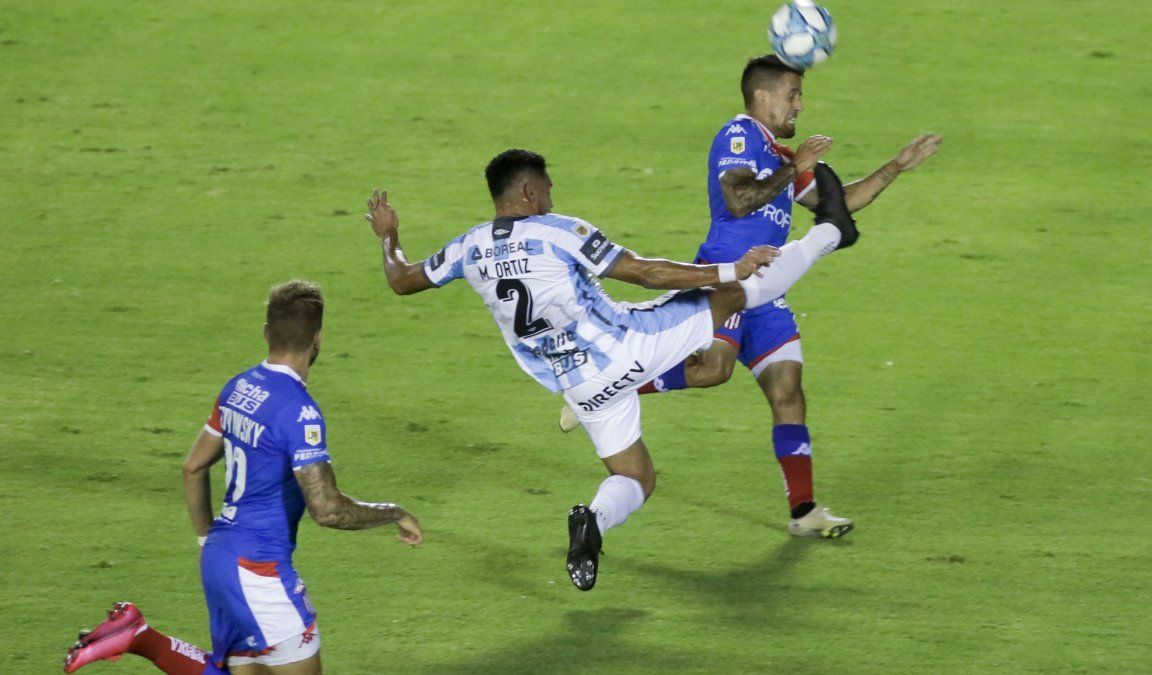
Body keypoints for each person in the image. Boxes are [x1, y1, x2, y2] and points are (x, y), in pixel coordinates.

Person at [365, 148, 858, 590]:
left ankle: (593, 524)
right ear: (529, 191)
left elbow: (402, 279)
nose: (552, 198)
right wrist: (732, 267)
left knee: (637, 477)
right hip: (626, 347)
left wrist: (389, 237)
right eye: (548, 189)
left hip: (578, 384)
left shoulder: (467, 247)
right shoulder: (557, 230)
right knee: (730, 293)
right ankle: (832, 231)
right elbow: (645, 272)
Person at [560, 54, 942, 539]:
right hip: (727, 281)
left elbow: (839, 206)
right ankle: (602, 390)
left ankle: (804, 511)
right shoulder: (738, 136)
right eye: (792, 95)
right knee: (712, 370)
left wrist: (896, 167)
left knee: (788, 390)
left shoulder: (780, 157)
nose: (799, 105)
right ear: (762, 96)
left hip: (768, 287)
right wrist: (796, 167)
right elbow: (739, 199)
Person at [64, 280, 423, 674]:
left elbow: (193, 467)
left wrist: (207, 541)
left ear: (267, 332)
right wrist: (393, 512)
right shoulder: (299, 411)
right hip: (259, 569)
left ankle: (140, 636)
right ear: (318, 339)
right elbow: (328, 510)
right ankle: (140, 637)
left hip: (220, 556)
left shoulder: (239, 387)